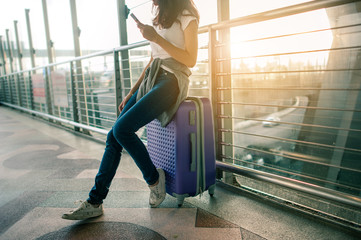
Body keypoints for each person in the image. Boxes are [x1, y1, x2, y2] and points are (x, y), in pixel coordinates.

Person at [62, 0, 199, 220]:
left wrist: (156, 38)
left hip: (171, 80)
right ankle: (95, 201)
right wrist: (131, 92)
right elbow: (153, 59)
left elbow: (191, 59)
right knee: (113, 135)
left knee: (122, 129)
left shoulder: (186, 15)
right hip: (151, 78)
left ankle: (154, 180)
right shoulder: (162, 16)